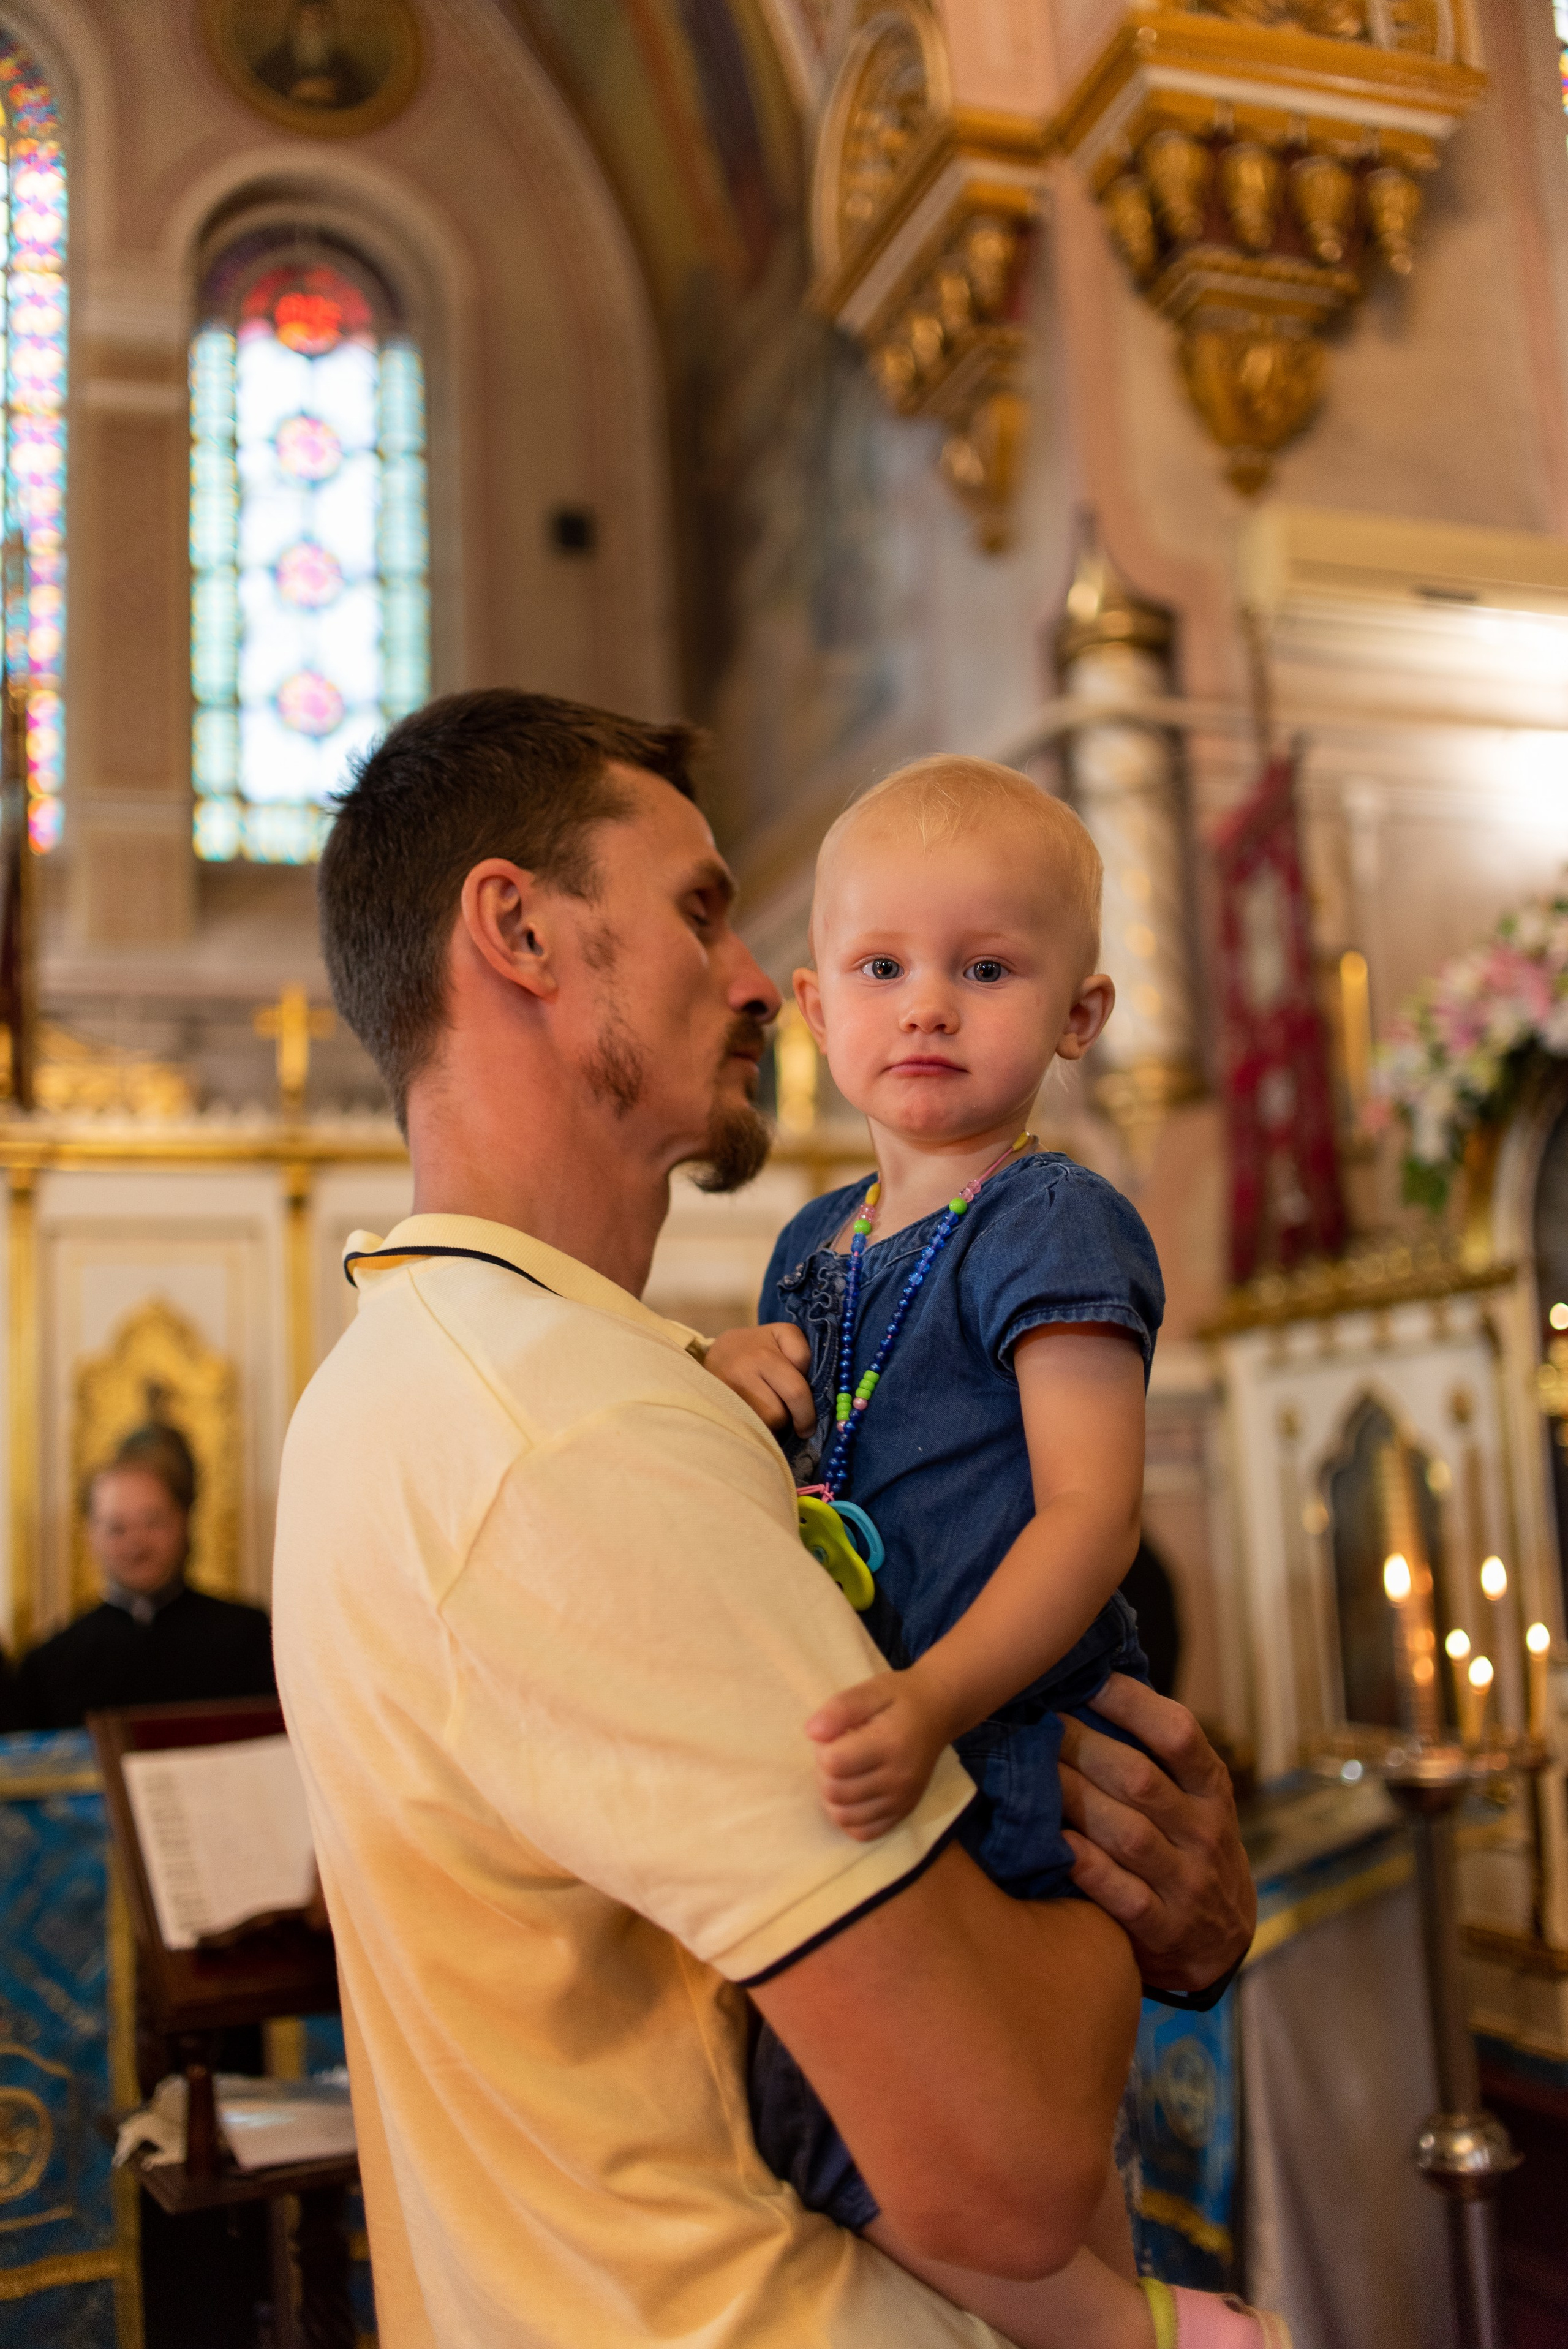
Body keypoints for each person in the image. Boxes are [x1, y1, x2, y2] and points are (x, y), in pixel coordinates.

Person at [273, 688, 1257, 2349]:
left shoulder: (432, 1377)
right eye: (704, 912)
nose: (760, 983)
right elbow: (1003, 2157)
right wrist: (1154, 1916)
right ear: (518, 930)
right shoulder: (571, 1432)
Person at [706, 757, 1280, 2349]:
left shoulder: (1052, 1220)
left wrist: (939, 1698)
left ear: (1080, 1015)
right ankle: (1161, 2317)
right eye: (884, 968)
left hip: (1014, 1723)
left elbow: (1089, 1520)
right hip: (909, 1725)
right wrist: (733, 1372)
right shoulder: (811, 1247)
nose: (930, 1007)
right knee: (999, 2155)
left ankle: (1168, 2336)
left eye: (987, 966)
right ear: (819, 1003)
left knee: (907, 2138)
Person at [16, 1425, 275, 1730]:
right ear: (90, 1535)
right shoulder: (48, 1665)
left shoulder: (250, 1637)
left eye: (152, 1523)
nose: (136, 1546)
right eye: (116, 1529)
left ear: (184, 1520)